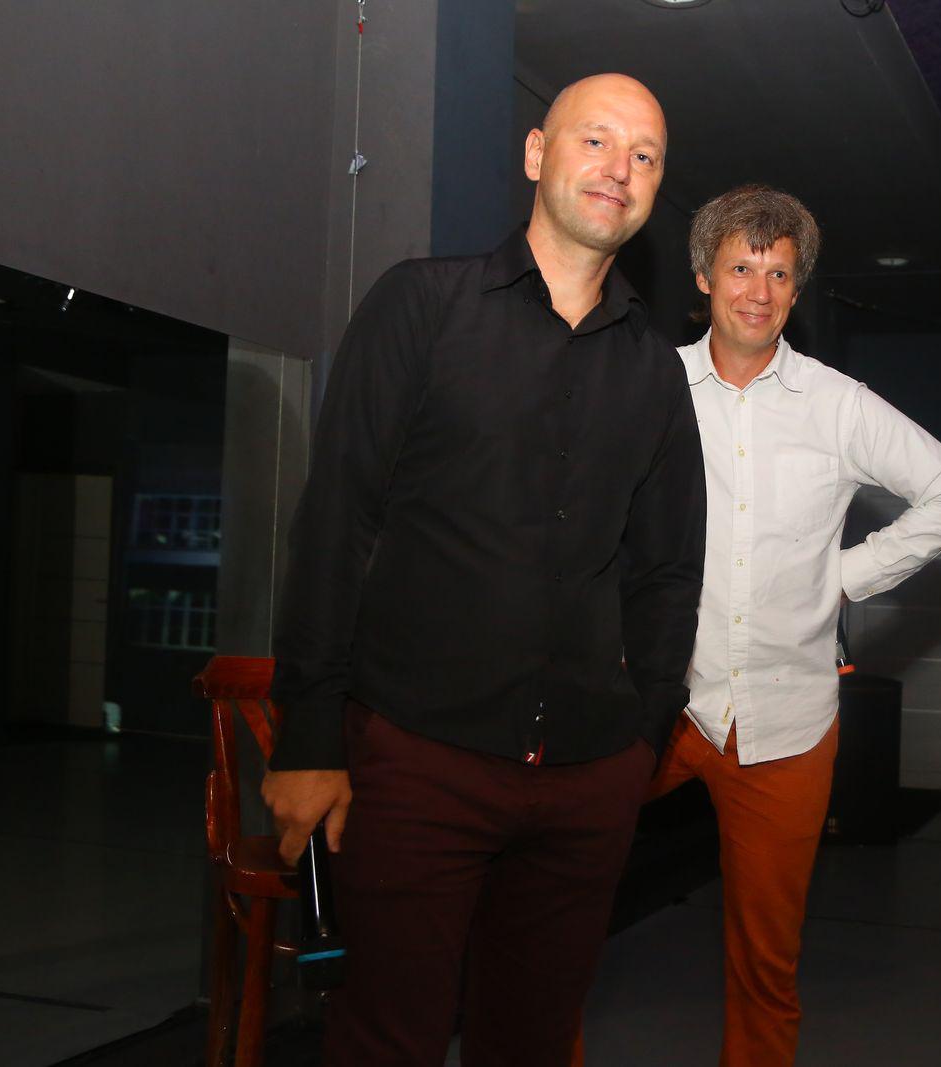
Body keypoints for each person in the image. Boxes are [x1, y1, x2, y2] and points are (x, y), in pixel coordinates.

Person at [261, 73, 706, 1067]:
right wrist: (309, 734)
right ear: (537, 153)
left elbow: (668, 567)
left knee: (533, 1041)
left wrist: (643, 732)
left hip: (588, 775)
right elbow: (337, 521)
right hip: (419, 757)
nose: (620, 168)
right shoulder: (422, 305)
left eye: (644, 156)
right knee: (387, 1037)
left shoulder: (655, 369)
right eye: (596, 140)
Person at [610, 184, 941, 1066]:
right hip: (655, 703)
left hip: (788, 720)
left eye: (779, 273)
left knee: (767, 961)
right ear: (704, 277)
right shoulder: (649, 386)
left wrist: (845, 577)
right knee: (551, 906)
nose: (759, 290)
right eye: (741, 267)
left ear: (796, 288)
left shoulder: (838, 404)